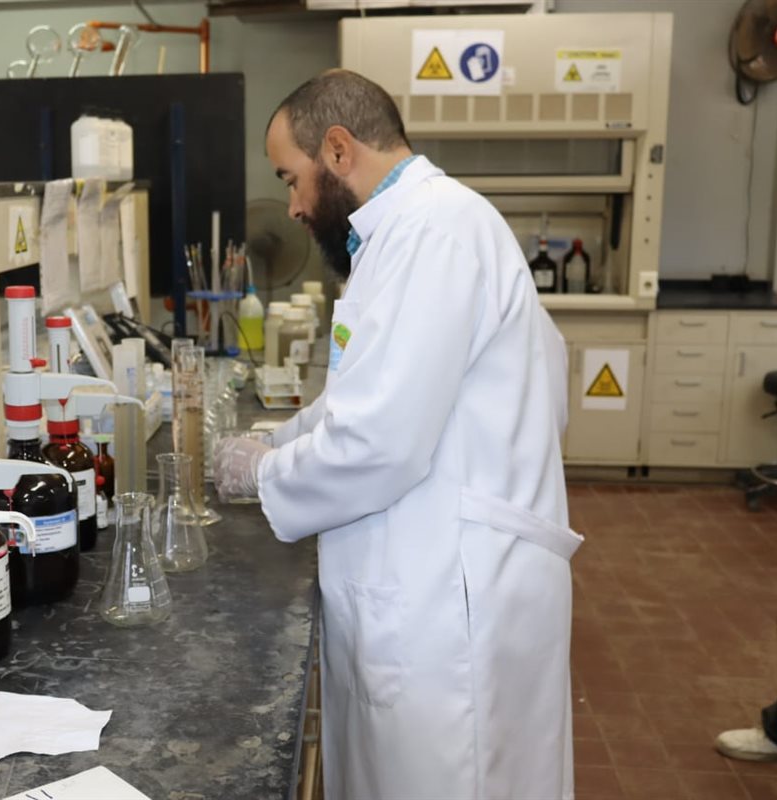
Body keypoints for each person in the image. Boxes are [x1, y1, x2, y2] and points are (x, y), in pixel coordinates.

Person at [213, 70, 577, 800]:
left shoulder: (433, 233)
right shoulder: (405, 235)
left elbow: (379, 442)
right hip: (431, 577)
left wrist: (264, 472)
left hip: (452, 597)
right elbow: (362, 399)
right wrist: (277, 438)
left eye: (291, 178)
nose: (293, 205)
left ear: (338, 150)